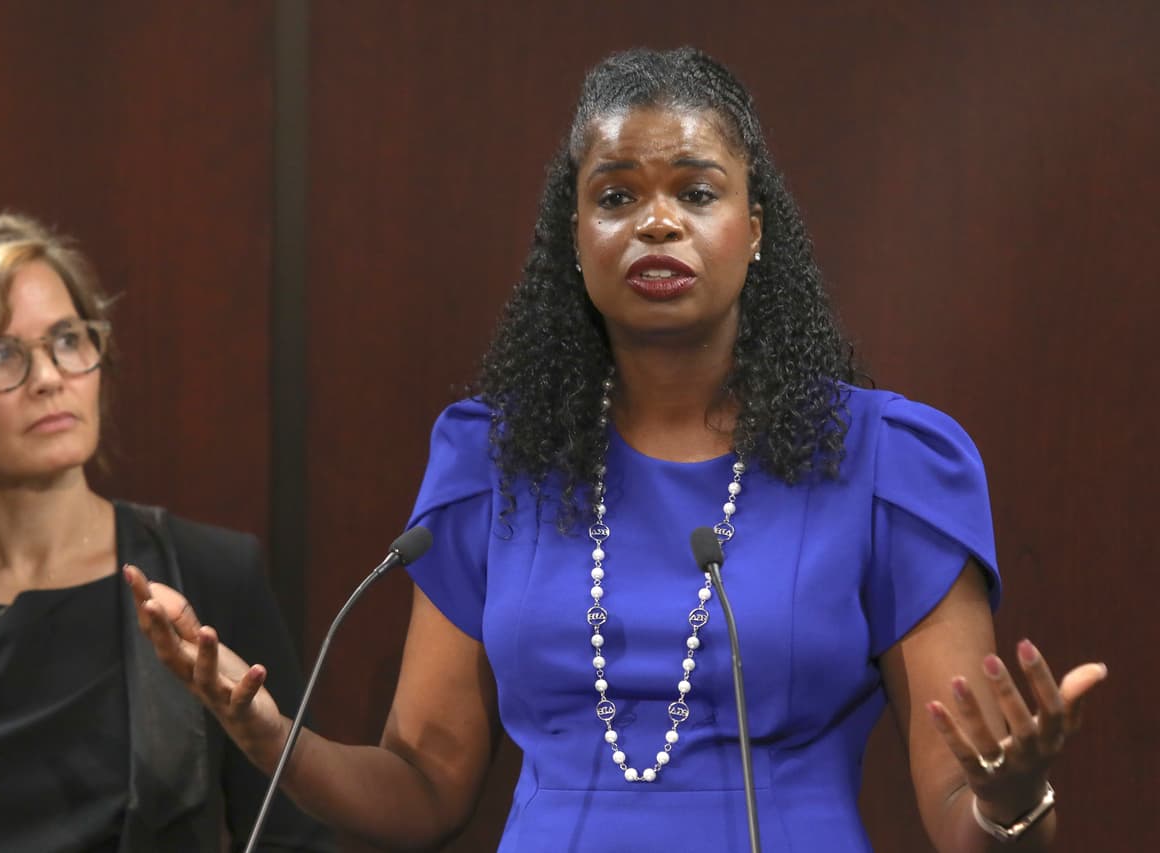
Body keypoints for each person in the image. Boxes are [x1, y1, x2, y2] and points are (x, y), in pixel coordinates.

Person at [129, 48, 1107, 851]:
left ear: (754, 230)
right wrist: (265, 735)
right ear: (576, 236)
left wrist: (1009, 798)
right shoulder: (493, 462)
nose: (654, 221)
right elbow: (421, 788)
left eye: (695, 191)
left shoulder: (886, 461)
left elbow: (961, 818)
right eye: (614, 197)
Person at [0, 213, 335, 852]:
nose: (49, 377)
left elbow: (297, 838)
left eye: (67, 339)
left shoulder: (208, 572)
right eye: (0, 354)